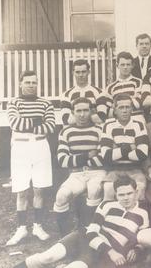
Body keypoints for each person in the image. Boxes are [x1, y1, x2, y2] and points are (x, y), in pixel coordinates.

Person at [15, 176, 149, 268]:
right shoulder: (107, 205)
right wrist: (111, 252)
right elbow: (91, 231)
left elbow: (142, 238)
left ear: (136, 192)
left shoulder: (143, 214)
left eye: (129, 193)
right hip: (84, 237)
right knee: (47, 257)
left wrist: (136, 249)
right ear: (115, 194)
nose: (125, 198)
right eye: (121, 194)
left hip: (98, 252)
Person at [5, 70, 56, 246]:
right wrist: (37, 121)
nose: (31, 85)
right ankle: (21, 228)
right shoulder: (14, 102)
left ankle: (38, 226)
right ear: (21, 84)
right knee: (21, 190)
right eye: (27, 82)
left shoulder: (45, 103)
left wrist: (28, 122)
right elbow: (14, 124)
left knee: (39, 189)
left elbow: (50, 126)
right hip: (20, 147)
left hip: (41, 146)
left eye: (34, 82)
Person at [53, 97, 105, 235]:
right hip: (76, 174)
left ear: (91, 112)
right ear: (73, 112)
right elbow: (63, 161)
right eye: (79, 111)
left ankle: (89, 231)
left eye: (86, 111)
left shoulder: (100, 130)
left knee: (94, 190)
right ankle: (65, 235)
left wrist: (75, 159)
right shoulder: (65, 132)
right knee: (61, 196)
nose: (82, 114)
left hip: (97, 172)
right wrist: (88, 155)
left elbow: (103, 159)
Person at [100, 94, 149, 202]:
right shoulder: (108, 126)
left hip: (135, 170)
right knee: (108, 188)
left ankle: (136, 217)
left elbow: (142, 154)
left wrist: (117, 148)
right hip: (115, 170)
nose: (125, 110)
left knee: (140, 188)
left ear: (132, 109)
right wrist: (131, 146)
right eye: (121, 107)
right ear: (115, 110)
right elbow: (106, 155)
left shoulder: (139, 125)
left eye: (127, 107)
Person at [60, 59, 112, 126]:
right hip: (74, 133)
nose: (81, 75)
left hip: (94, 131)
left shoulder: (99, 93)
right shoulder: (66, 95)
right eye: (77, 72)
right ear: (73, 73)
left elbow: (101, 117)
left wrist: (76, 115)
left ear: (88, 72)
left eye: (83, 72)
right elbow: (66, 120)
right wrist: (92, 113)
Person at [106, 51, 144, 123]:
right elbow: (108, 111)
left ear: (132, 66)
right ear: (117, 66)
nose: (125, 67)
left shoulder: (138, 82)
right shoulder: (111, 87)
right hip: (118, 122)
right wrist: (131, 99)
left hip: (136, 119)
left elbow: (138, 103)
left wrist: (116, 105)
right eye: (122, 65)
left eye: (128, 64)